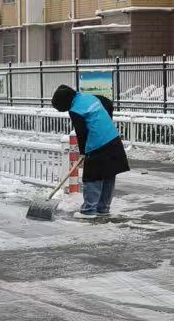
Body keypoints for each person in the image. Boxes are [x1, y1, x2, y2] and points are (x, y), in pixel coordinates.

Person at [51, 85, 129, 221]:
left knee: (92, 177)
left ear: (65, 103)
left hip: (98, 144)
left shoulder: (75, 110)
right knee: (108, 174)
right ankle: (103, 209)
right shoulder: (89, 97)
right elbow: (108, 103)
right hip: (113, 139)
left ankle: (89, 210)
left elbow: (82, 133)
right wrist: (104, 122)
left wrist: (84, 152)